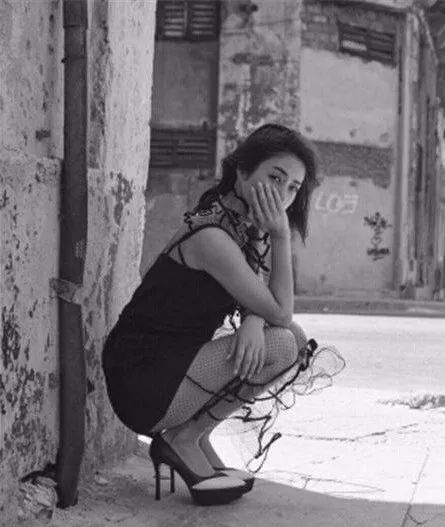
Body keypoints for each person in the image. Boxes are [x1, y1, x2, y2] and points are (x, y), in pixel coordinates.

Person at [102, 124, 341, 506]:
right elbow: (281, 310)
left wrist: (253, 319)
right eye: (275, 178)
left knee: (291, 339)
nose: (282, 195)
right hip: (142, 379)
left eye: (293, 188)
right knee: (283, 342)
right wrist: (280, 236)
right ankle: (182, 439)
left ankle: (195, 437)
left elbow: (260, 299)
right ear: (242, 172)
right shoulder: (213, 236)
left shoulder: (239, 226)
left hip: (172, 367)